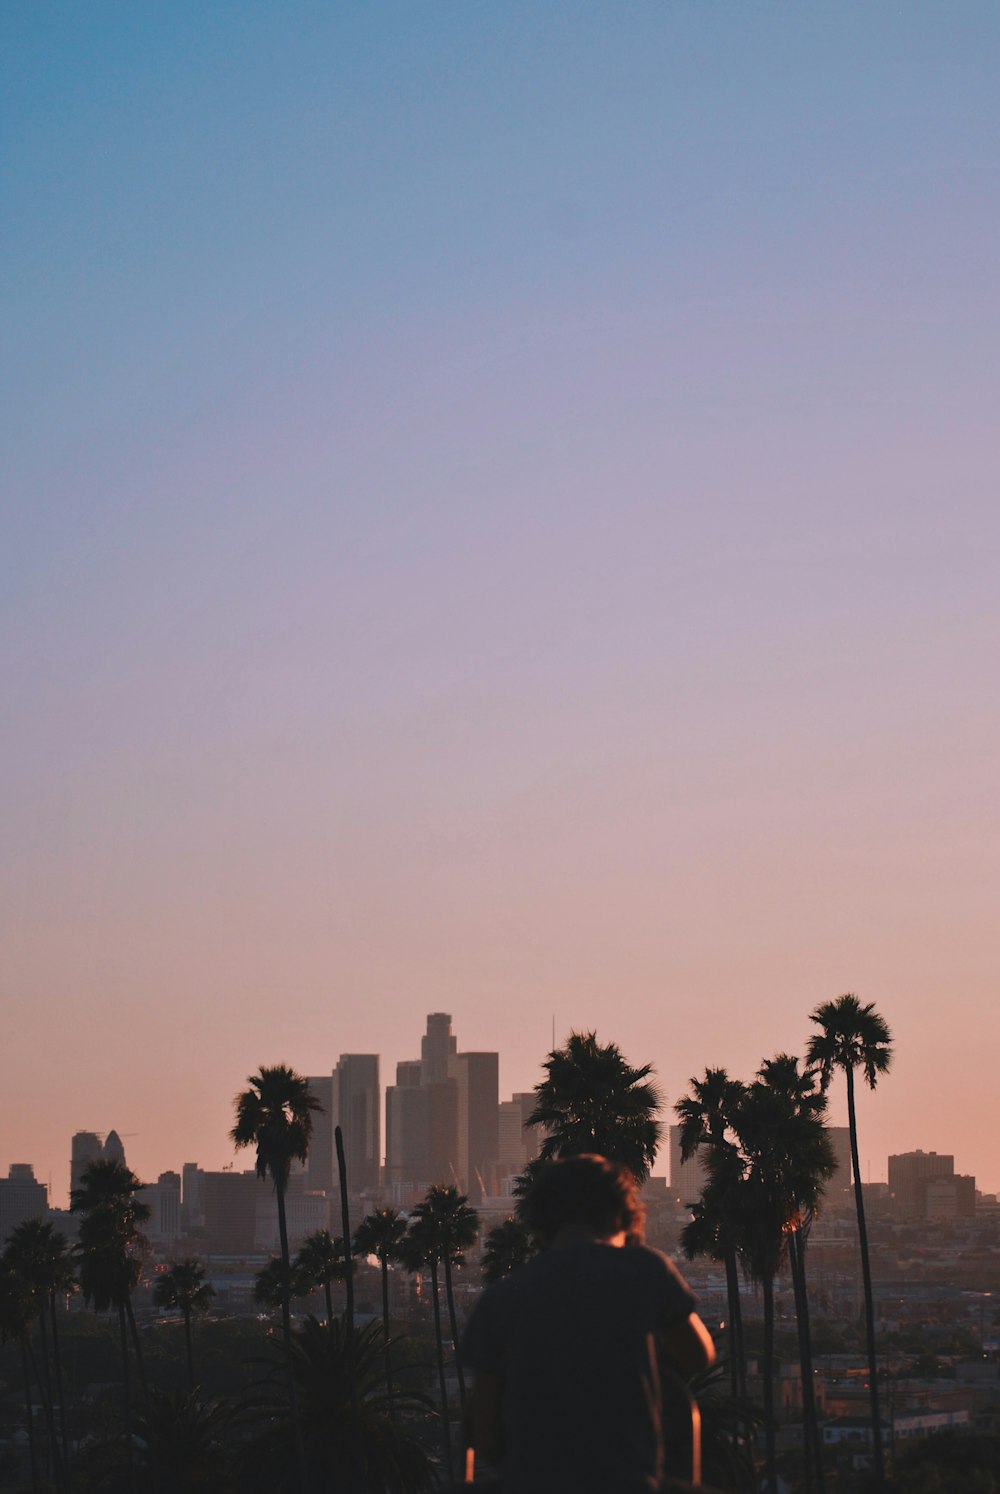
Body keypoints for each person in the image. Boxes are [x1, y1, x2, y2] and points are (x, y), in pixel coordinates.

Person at [463, 1154, 715, 1493]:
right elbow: (699, 1356)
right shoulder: (646, 1269)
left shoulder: (500, 1298)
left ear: (539, 1223)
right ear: (624, 1215)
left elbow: (486, 1435)